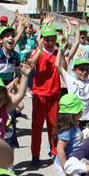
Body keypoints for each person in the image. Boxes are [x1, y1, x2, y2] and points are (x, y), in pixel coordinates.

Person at [27, 23, 63, 167]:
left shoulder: (57, 53)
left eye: (52, 39)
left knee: (53, 127)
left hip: (54, 94)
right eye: (46, 39)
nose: (49, 42)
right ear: (42, 39)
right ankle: (35, 155)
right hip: (39, 95)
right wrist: (40, 50)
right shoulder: (38, 52)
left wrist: (60, 49)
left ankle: (54, 152)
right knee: (37, 126)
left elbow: (63, 67)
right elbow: (30, 65)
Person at [53, 94, 85, 176]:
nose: (82, 112)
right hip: (65, 165)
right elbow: (60, 149)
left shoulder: (75, 126)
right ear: (73, 114)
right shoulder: (66, 130)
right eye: (79, 111)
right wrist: (66, 166)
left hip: (75, 164)